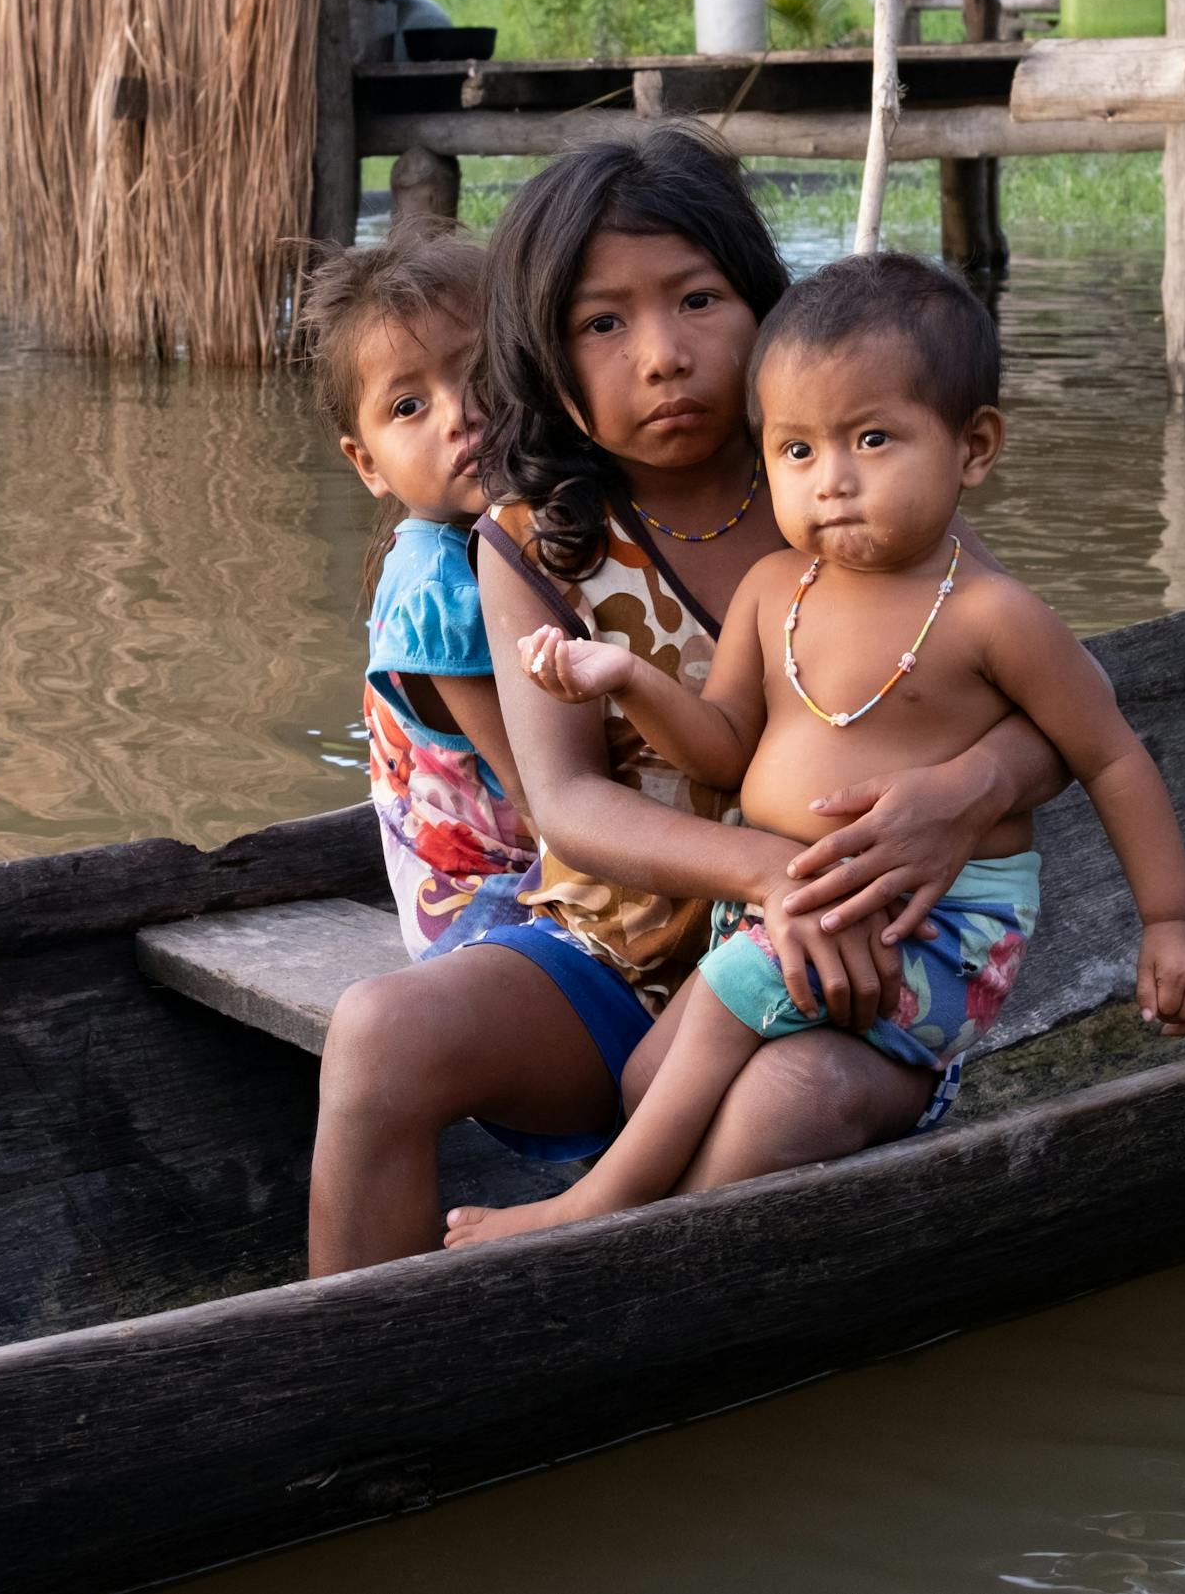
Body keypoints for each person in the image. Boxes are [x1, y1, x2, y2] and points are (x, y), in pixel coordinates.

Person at [307, 128, 1071, 1276]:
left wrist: (964, 797)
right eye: (602, 323)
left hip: (855, 953)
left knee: (792, 1098)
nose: (663, 355)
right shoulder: (537, 539)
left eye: (698, 299)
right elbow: (566, 804)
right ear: (544, 357)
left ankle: (620, 1337)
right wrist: (771, 876)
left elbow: (1058, 708)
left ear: (762, 303)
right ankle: (349, 1387)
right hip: (613, 957)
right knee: (378, 1034)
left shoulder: (842, 479)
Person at [447, 254, 1185, 1246]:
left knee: (725, 1013)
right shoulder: (778, 587)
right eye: (798, 451)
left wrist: (1171, 922)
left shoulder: (992, 614)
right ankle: (663, 1226)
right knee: (648, 1074)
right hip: (777, 915)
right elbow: (723, 752)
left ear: (973, 447)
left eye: (871, 440)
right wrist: (632, 680)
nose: (835, 482)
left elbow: (1110, 754)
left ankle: (593, 1218)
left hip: (928, 935)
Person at [296, 220, 537, 958]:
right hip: (492, 910)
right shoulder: (433, 583)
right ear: (367, 463)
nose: (459, 413)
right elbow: (539, 793)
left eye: (479, 372)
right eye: (409, 406)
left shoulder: (510, 529)